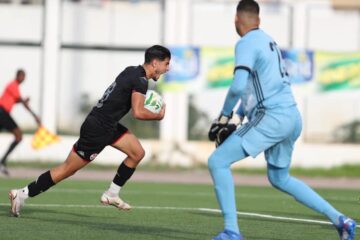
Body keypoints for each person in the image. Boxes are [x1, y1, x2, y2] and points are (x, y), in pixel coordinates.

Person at [207, 1, 357, 240]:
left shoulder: (245, 43)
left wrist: (224, 116)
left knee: (217, 161)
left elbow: (236, 86)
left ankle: (232, 232)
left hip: (272, 116)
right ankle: (341, 220)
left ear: (236, 20)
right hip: (291, 116)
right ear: (258, 19)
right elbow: (250, 87)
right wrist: (238, 116)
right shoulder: (268, 41)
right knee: (279, 177)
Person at [9, 45, 171, 217]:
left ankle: (111, 194)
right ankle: (22, 194)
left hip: (108, 125)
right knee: (67, 169)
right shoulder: (140, 81)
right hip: (98, 129)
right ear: (155, 63)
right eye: (166, 64)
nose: (167, 68)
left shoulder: (131, 71)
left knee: (137, 153)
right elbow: (138, 112)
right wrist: (158, 115)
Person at [0, 69, 41, 176]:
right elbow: (22, 103)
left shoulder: (15, 87)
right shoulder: (13, 85)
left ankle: (2, 162)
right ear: (18, 76)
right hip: (2, 112)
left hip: (3, 112)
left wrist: (22, 101)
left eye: (24, 77)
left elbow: (16, 100)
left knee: (19, 137)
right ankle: (2, 162)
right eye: (22, 76)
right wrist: (35, 116)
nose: (23, 79)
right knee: (19, 136)